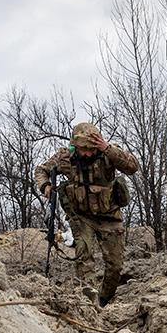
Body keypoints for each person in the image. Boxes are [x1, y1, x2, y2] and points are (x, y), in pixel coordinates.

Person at [34, 122, 139, 305]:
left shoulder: (109, 153)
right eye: (84, 149)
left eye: (92, 149)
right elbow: (41, 170)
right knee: (84, 258)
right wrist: (45, 185)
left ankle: (103, 300)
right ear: (75, 146)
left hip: (110, 216)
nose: (88, 153)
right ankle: (90, 303)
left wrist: (107, 149)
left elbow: (132, 166)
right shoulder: (65, 157)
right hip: (82, 217)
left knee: (115, 266)